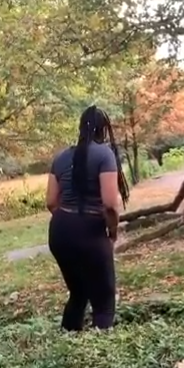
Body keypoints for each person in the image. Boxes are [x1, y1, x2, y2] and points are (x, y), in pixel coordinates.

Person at [45, 105, 130, 331]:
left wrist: (69, 222)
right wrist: (112, 232)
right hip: (90, 231)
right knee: (104, 300)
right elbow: (111, 205)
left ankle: (68, 341)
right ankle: (100, 353)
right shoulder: (104, 154)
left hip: (59, 231)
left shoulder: (61, 157)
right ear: (103, 130)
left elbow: (51, 201)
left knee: (78, 293)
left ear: (81, 128)